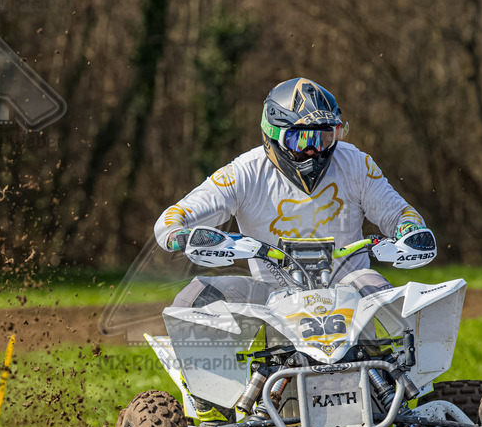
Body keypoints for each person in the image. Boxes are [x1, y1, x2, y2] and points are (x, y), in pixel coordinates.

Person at [154, 77, 427, 308]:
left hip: (348, 291)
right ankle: (220, 371)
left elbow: (400, 214)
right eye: (301, 138)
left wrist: (408, 229)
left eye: (325, 137)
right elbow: (173, 218)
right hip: (272, 297)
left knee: (378, 289)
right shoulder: (244, 172)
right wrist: (182, 235)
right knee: (194, 297)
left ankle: (398, 368)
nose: (313, 150)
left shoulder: (356, 163)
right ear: (271, 135)